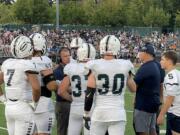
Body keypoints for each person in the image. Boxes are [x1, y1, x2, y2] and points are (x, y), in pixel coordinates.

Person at [83, 35, 136, 135]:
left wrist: (86, 112)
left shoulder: (94, 65)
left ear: (101, 47)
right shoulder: (126, 65)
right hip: (118, 113)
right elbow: (133, 88)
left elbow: (89, 93)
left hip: (100, 113)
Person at [0, 35, 41, 135]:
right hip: (23, 107)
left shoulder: (7, 63)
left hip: (9, 108)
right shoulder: (27, 64)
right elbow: (36, 88)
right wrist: (35, 103)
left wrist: (2, 98)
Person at [59, 43, 96, 135]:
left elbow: (61, 91)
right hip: (91, 107)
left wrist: (73, 99)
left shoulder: (71, 67)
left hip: (75, 107)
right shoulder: (96, 67)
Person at [133, 43, 165, 135]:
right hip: (153, 102)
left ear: (147, 53)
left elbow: (134, 86)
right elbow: (160, 84)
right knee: (152, 129)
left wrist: (128, 76)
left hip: (144, 105)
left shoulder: (145, 67)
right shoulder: (155, 65)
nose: (139, 54)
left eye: (141, 52)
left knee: (141, 130)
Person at [30, 33, 58, 135]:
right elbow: (51, 86)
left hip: (27, 104)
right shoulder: (45, 60)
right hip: (43, 103)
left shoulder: (22, 62)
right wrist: (58, 84)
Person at [157, 51, 180, 135]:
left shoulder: (171, 76)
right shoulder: (176, 73)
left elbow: (170, 97)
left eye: (162, 59)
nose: (160, 61)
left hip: (175, 114)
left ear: (169, 61)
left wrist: (161, 114)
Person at [53, 47, 71, 135]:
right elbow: (62, 90)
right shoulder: (57, 71)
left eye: (68, 56)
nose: (68, 58)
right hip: (63, 104)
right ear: (60, 58)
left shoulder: (71, 68)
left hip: (70, 104)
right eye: (65, 56)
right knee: (62, 131)